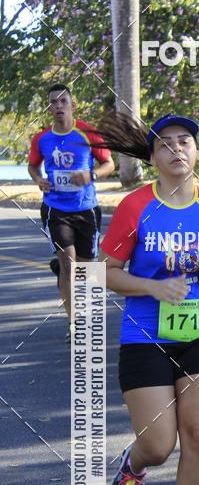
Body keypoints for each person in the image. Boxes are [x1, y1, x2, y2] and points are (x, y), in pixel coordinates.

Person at [97, 113, 199, 485]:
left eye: (185, 142)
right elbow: (105, 273)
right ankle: (132, 466)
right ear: (154, 157)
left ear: (196, 152)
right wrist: (153, 286)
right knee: (158, 445)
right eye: (166, 144)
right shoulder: (136, 207)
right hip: (145, 335)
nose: (177, 149)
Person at [27, 83, 115, 341]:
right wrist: (38, 180)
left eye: (63, 101)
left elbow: (109, 163)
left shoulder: (87, 132)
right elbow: (33, 166)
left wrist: (91, 174)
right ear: (49, 107)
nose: (58, 106)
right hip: (56, 209)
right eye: (53, 102)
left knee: (87, 270)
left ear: (71, 104)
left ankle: (71, 283)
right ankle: (74, 324)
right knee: (68, 263)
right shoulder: (42, 138)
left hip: (86, 209)